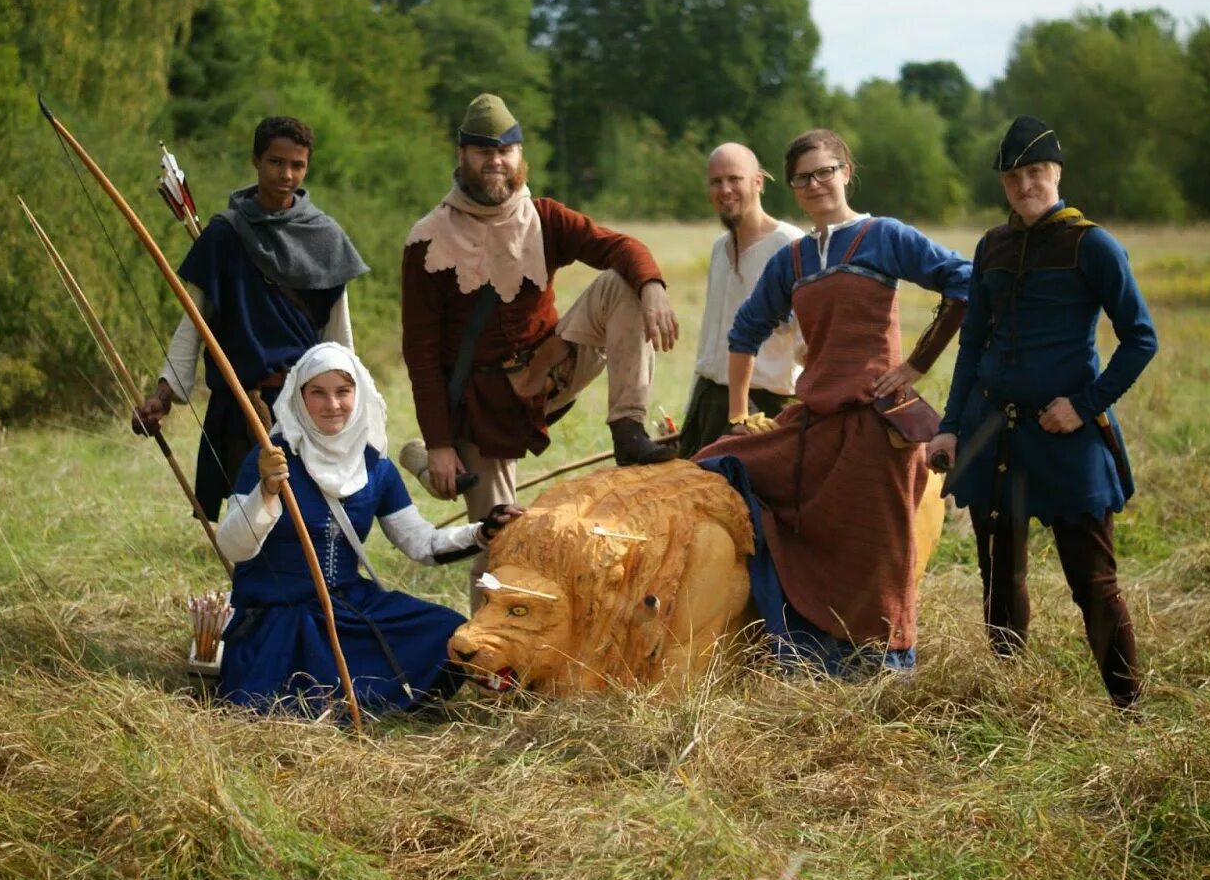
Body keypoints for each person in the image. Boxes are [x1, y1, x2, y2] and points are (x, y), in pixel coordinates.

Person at [698, 129, 971, 673]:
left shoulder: (883, 236)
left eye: (825, 171)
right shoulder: (794, 259)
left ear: (846, 171)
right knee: (715, 463)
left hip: (876, 423)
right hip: (814, 420)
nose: (815, 184)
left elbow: (964, 281)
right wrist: (737, 415)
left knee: (877, 551)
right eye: (803, 177)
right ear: (793, 188)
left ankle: (887, 665)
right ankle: (805, 649)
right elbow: (745, 331)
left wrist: (916, 364)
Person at [399, 93, 680, 598]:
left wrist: (653, 286)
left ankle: (628, 429)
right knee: (498, 543)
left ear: (519, 155)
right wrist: (441, 444)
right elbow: (420, 351)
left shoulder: (544, 218)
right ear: (462, 155)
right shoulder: (428, 240)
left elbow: (621, 246)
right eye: (484, 151)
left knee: (624, 281)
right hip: (480, 410)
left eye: (506, 150)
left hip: (548, 373)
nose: (496, 161)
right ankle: (491, 662)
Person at [927, 115, 1158, 709]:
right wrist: (952, 426)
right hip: (993, 433)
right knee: (1001, 576)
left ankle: (1129, 710)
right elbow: (972, 342)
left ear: (1056, 173)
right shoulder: (992, 246)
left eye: (1034, 172)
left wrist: (1084, 406)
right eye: (1012, 176)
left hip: (1065, 437)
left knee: (1094, 584)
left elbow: (1140, 338)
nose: (1024, 184)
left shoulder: (1093, 245)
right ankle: (1011, 700)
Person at [213, 343, 521, 715]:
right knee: (271, 698)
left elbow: (421, 542)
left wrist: (481, 533)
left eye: (343, 392)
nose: (333, 405)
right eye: (318, 393)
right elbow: (233, 547)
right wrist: (265, 491)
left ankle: (369, 692)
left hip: (348, 607)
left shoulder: (375, 466)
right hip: (278, 612)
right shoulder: (271, 457)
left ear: (358, 394)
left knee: (448, 633)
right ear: (299, 396)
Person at [133, 117, 368, 522]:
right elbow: (193, 325)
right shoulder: (224, 236)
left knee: (306, 520)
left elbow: (338, 337)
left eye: (297, 165)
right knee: (248, 522)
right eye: (276, 162)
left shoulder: (325, 237)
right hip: (240, 405)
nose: (287, 174)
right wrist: (162, 396)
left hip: (302, 405)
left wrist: (349, 404)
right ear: (256, 160)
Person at [677, 143, 804, 458]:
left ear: (758, 182)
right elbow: (712, 342)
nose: (725, 189)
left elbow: (809, 344)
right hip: (709, 402)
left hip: (766, 409)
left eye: (735, 179)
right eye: (716, 182)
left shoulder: (792, 247)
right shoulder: (720, 248)